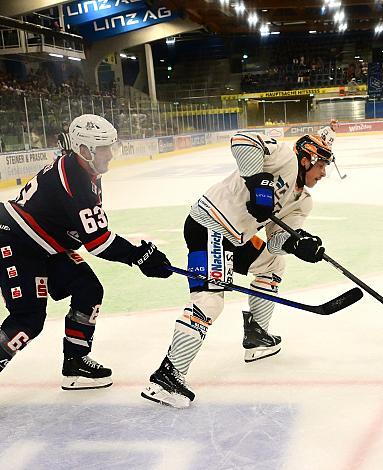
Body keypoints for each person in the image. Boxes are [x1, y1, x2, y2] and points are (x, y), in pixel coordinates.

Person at [142, 133, 332, 408]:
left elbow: (277, 241)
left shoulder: (303, 202)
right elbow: (243, 140)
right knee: (209, 300)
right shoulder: (284, 158)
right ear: (306, 160)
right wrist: (258, 183)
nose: (324, 173)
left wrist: (296, 244)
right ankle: (166, 377)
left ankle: (256, 335)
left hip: (236, 237)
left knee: (272, 262)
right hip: (210, 224)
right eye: (321, 165)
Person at [0, 114, 172, 389]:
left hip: (43, 245)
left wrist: (137, 254)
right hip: (16, 242)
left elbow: (87, 229)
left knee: (88, 288)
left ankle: (75, 361)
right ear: (84, 150)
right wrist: (140, 256)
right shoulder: (76, 181)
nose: (111, 154)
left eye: (110, 147)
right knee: (28, 318)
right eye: (104, 148)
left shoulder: (84, 169)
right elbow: (98, 242)